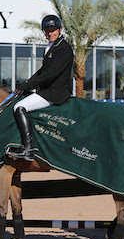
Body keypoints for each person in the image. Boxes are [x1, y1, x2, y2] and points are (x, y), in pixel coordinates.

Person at [6, 14, 74, 161]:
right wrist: (27, 83)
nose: (50, 33)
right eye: (47, 31)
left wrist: (29, 84)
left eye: (53, 30)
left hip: (55, 93)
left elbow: (51, 74)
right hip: (47, 90)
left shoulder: (64, 49)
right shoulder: (51, 46)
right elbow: (43, 71)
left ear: (60, 29)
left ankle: (28, 149)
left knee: (19, 107)